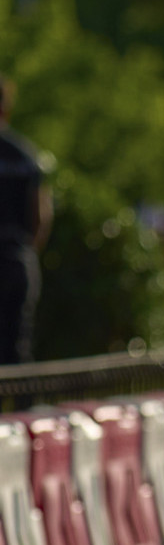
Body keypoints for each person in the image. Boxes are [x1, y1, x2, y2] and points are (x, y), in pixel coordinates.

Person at [0, 75, 49, 366]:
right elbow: (41, 215)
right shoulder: (25, 155)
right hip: (17, 258)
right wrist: (28, 253)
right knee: (17, 345)